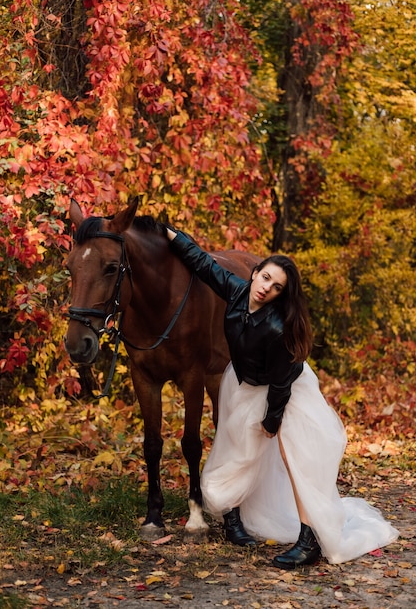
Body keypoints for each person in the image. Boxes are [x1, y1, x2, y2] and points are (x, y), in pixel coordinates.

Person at [165, 226, 399, 569]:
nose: (265, 289)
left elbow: (281, 383)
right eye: (265, 278)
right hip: (245, 385)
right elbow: (203, 263)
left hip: (286, 392)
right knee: (237, 453)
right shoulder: (236, 291)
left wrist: (272, 421)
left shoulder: (277, 326)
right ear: (255, 273)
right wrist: (168, 234)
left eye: (276, 288)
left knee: (297, 459)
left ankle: (310, 540)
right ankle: (233, 517)